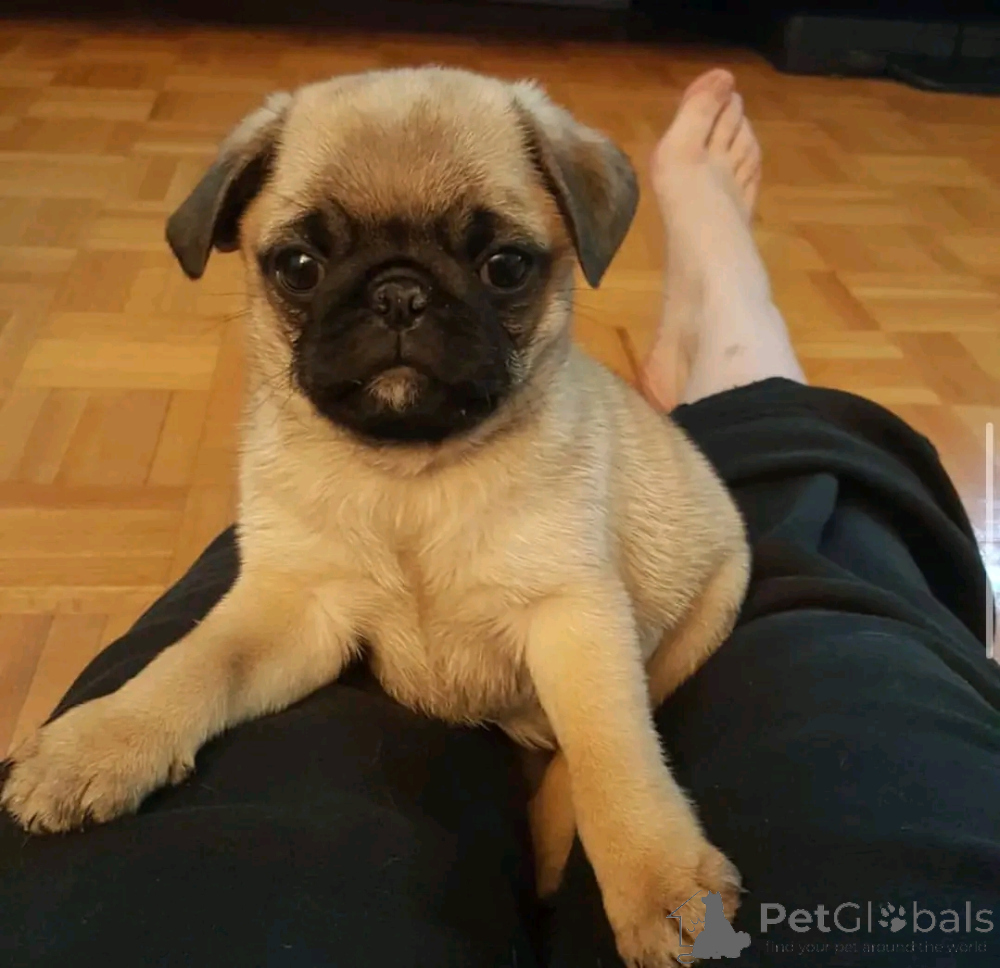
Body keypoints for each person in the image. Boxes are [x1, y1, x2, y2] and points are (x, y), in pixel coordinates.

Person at [2, 70, 998, 968]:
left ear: (573, 236)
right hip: (404, 606)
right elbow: (288, 613)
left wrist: (631, 826)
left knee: (741, 571)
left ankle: (736, 358)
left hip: (662, 619)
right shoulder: (284, 449)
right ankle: (746, 363)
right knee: (845, 586)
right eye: (304, 267)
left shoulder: (554, 438)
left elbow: (567, 611)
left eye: (501, 267)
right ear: (233, 234)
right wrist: (142, 717)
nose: (400, 305)